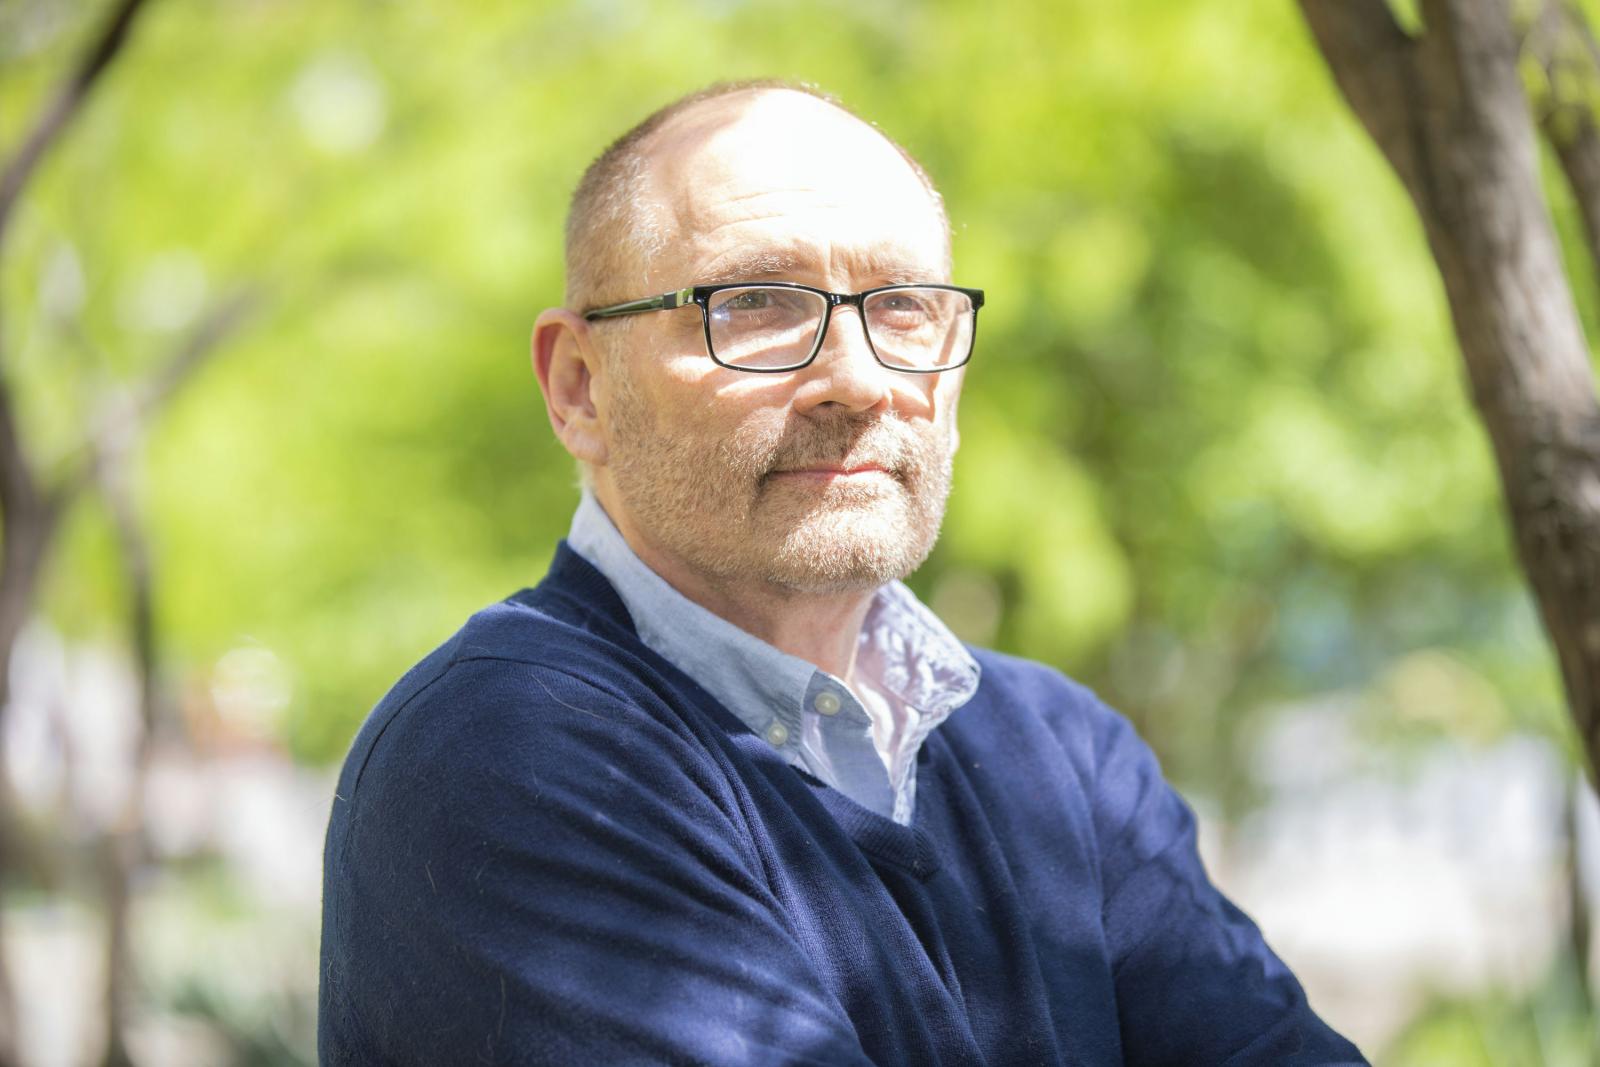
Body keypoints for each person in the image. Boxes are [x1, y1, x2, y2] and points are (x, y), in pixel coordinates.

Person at [317, 80, 1367, 1066]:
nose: (858, 378)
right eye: (758, 304)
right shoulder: (508, 754)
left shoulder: (1063, 750)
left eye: (904, 306)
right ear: (579, 386)